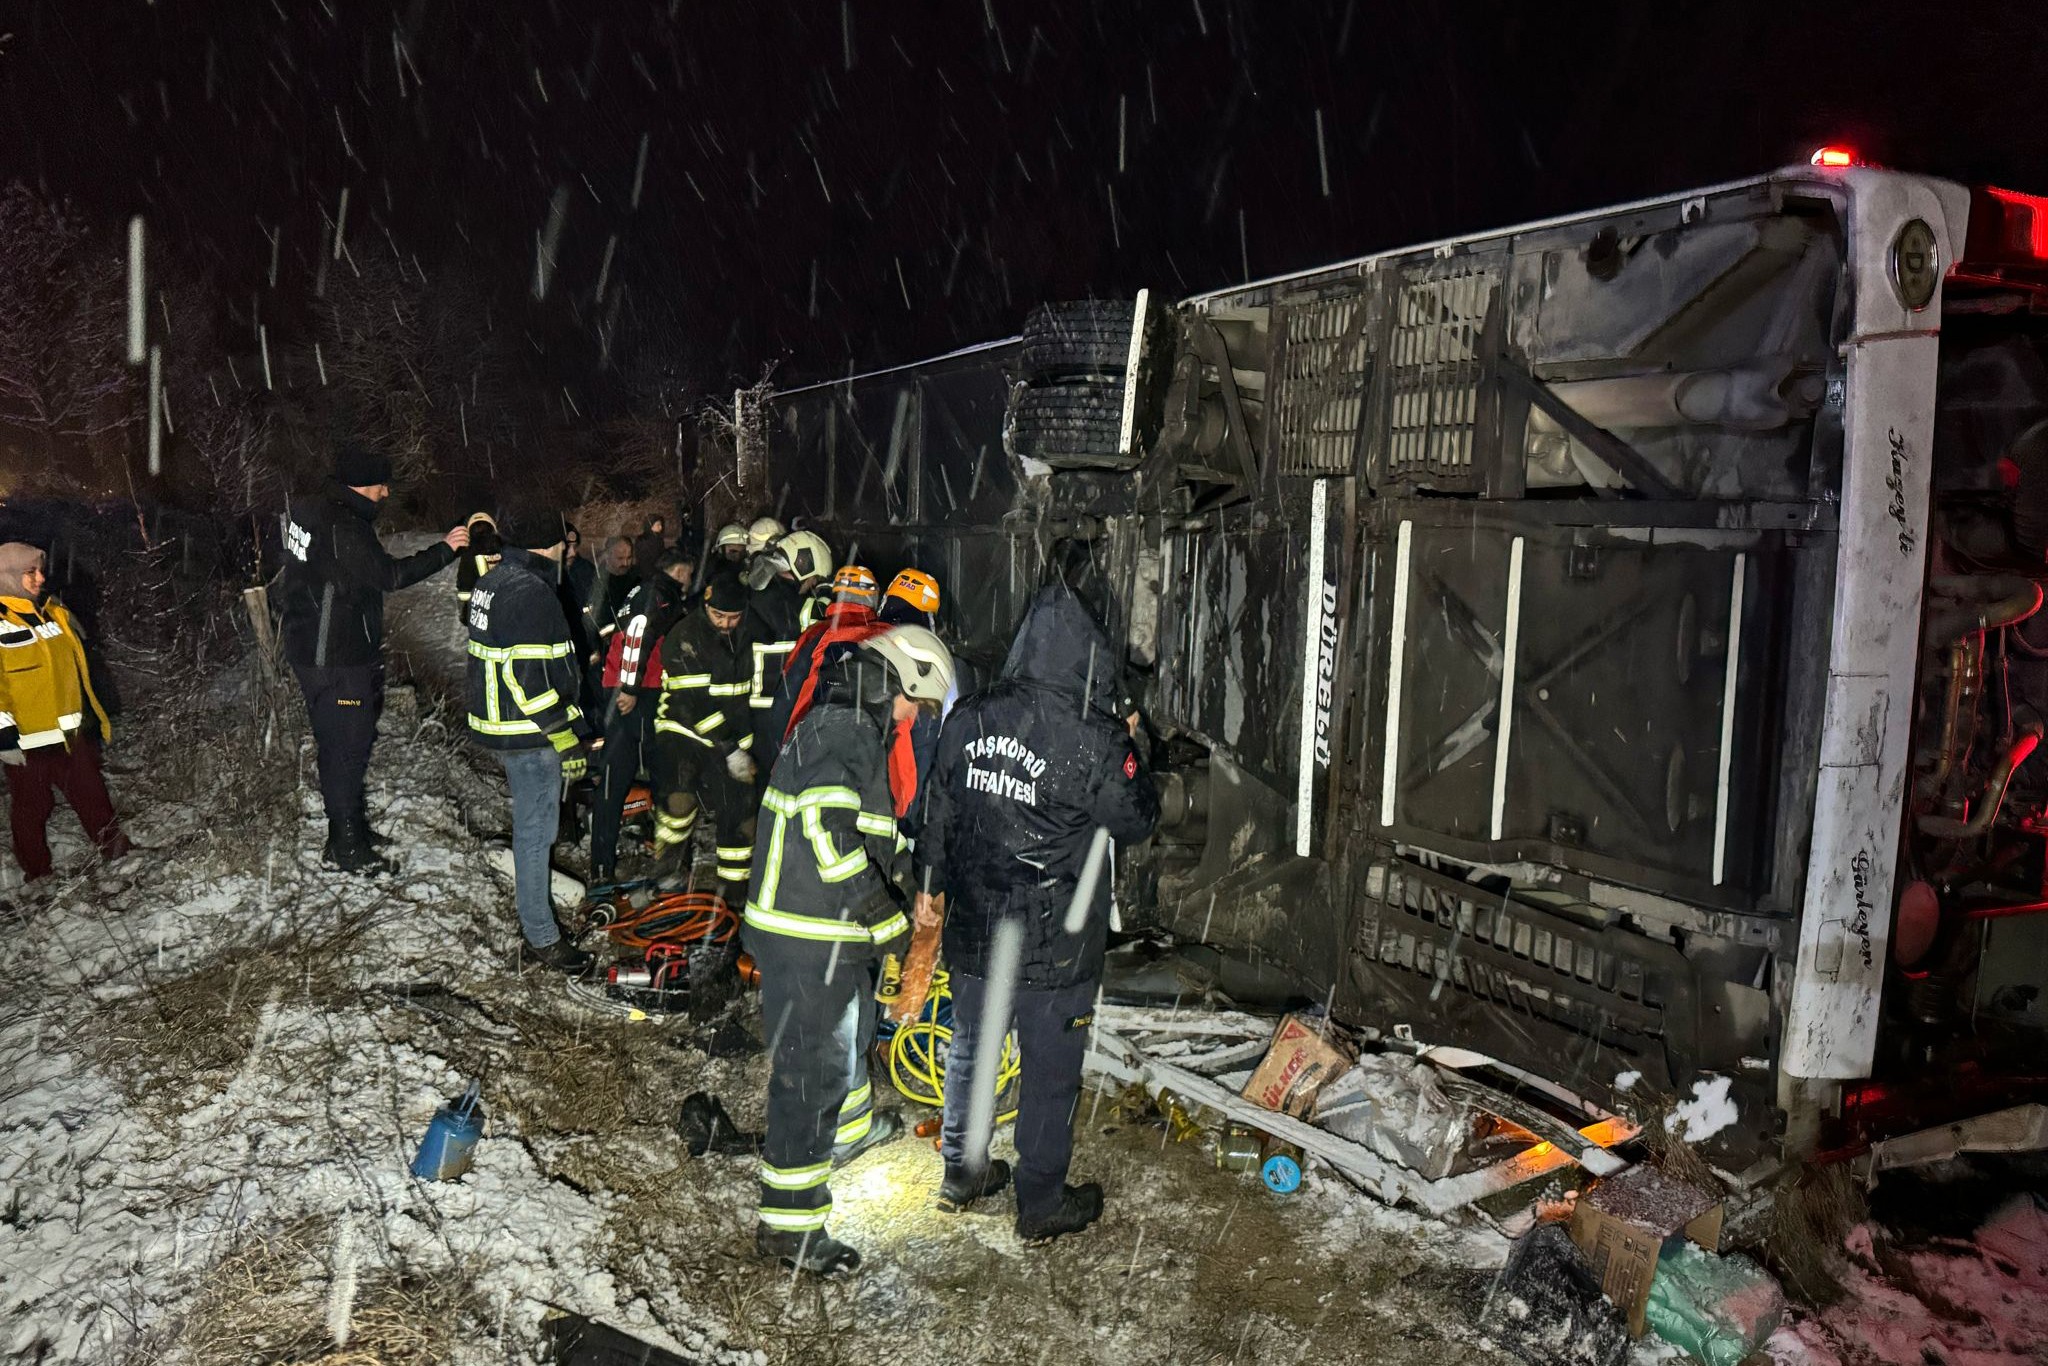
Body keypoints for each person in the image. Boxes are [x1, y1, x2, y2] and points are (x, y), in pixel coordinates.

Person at [915, 577, 1160, 1240]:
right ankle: (1040, 1202)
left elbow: (937, 814)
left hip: (976, 930)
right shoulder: (1096, 737)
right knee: (1051, 1073)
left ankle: (963, 1173)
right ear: (1091, 657)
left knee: (972, 1050)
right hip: (1055, 945)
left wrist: (930, 890)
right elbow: (1137, 821)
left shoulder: (971, 716)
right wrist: (1136, 747)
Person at [744, 625, 954, 1274]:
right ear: (904, 683)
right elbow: (824, 829)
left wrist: (909, 889)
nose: (915, 720)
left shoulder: (853, 726)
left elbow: (869, 836)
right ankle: (792, 1226)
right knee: (812, 1075)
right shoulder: (845, 731)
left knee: (852, 1031)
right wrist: (884, 920)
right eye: (918, 706)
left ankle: (849, 1133)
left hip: (824, 931)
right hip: (808, 934)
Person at [279, 446, 466, 873]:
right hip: (336, 658)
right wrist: (446, 549)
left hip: (310, 646)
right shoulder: (345, 527)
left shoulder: (309, 512)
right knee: (347, 746)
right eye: (382, 485)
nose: (385, 494)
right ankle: (346, 847)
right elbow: (390, 576)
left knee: (339, 742)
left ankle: (348, 831)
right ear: (362, 484)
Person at [463, 513, 595, 974]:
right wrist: (564, 737)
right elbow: (528, 680)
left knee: (533, 828)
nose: (568, 548)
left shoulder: (496, 579)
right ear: (550, 543)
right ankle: (541, 936)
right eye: (564, 540)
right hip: (529, 732)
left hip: (507, 726)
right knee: (537, 833)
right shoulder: (532, 594)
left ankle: (537, 922)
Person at [0, 542, 128, 880]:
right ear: (8, 576)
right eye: (30, 572)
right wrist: (4, 739)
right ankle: (38, 874)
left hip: (70, 733)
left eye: (40, 570)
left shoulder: (53, 611)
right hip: (27, 741)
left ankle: (117, 852)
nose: (40, 577)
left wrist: (94, 712)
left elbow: (80, 666)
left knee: (92, 794)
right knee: (32, 809)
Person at [648, 571, 760, 895]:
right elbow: (692, 705)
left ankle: (735, 890)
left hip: (731, 737)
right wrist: (730, 749)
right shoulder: (684, 637)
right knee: (679, 803)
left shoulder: (748, 634)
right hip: (682, 732)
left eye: (733, 617)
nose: (726, 624)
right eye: (719, 616)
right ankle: (667, 871)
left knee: (741, 812)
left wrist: (743, 744)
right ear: (706, 607)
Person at [588, 550, 693, 888]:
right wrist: (630, 687)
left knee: (612, 778)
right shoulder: (660, 594)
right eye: (688, 575)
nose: (690, 581)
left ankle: (602, 864)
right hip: (641, 694)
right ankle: (670, 863)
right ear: (678, 571)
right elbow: (636, 636)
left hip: (621, 690)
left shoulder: (643, 588)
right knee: (665, 775)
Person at [760, 564, 881, 775]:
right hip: (866, 754)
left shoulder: (816, 635)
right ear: (873, 597)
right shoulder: (884, 637)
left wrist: (781, 752)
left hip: (813, 745)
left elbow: (791, 693)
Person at [744, 530, 833, 758]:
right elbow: (811, 619)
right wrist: (827, 596)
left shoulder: (762, 590)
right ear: (803, 567)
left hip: (756, 710)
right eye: (815, 580)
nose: (813, 585)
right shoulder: (780, 599)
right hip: (772, 710)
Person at [454, 512, 503, 609]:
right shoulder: (506, 549)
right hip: (507, 605)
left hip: (482, 609)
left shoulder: (469, 555)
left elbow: (464, 588)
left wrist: (465, 613)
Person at [634, 515, 668, 583]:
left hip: (658, 570)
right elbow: (643, 560)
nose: (660, 527)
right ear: (651, 525)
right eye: (658, 525)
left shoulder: (659, 539)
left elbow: (662, 554)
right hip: (647, 572)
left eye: (661, 525)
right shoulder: (642, 540)